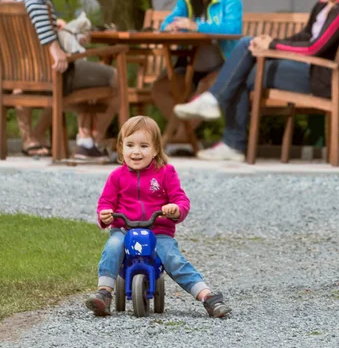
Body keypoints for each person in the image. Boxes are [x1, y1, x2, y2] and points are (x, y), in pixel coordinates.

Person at [173, 0, 339, 162]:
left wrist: (272, 46)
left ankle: (228, 133)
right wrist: (271, 41)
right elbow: (305, 37)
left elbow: (315, 48)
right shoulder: (324, 5)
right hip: (313, 70)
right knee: (246, 56)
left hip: (321, 77)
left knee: (244, 63)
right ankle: (222, 123)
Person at [86, 116, 231, 318]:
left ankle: (207, 296)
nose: (136, 151)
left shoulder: (165, 173)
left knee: (173, 259)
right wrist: (105, 215)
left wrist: (175, 209)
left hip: (158, 231)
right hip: (125, 230)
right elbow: (106, 202)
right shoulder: (116, 176)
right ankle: (104, 293)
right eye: (130, 145)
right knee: (113, 246)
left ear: (155, 149)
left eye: (144, 146)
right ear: (121, 148)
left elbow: (181, 199)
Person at [14, 0, 118, 159]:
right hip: (51, 71)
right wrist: (55, 49)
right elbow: (34, 7)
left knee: (89, 72)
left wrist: (59, 29)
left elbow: (34, 22)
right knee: (115, 77)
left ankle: (82, 139)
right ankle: (90, 142)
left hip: (27, 71)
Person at [151, 0, 243, 136]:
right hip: (189, 66)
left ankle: (176, 139)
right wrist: (172, 26)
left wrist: (196, 26)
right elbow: (167, 22)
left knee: (204, 89)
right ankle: (183, 137)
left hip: (221, 67)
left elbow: (232, 29)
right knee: (159, 89)